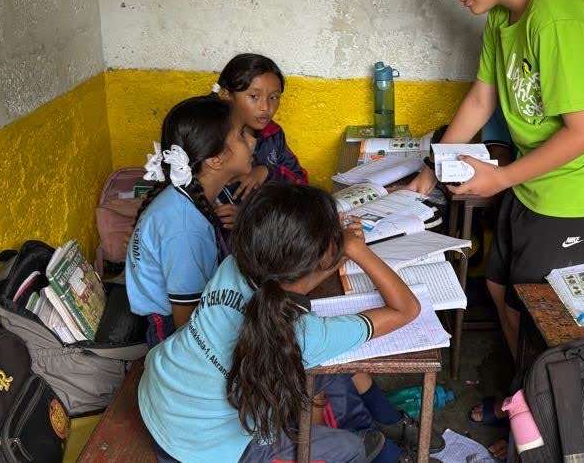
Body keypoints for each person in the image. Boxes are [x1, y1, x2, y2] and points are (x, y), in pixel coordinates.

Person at [408, 0, 584, 452]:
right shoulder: (501, 20)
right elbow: (481, 99)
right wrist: (427, 172)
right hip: (537, 182)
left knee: (544, 317)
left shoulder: (556, 18)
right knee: (496, 282)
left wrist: (499, 180)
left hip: (582, 189)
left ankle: (547, 425)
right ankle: (530, 396)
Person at [138, 183, 424, 462]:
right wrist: (357, 250)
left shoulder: (235, 266)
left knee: (319, 372)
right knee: (351, 446)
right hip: (201, 449)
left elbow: (293, 280)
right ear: (319, 254)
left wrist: (334, 251)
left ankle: (382, 421)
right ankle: (385, 439)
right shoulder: (306, 334)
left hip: (159, 394)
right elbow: (407, 309)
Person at [125, 95, 254, 346]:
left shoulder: (190, 195)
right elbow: (189, 328)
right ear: (215, 160)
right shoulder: (184, 228)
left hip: (186, 315)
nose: (252, 141)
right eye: (241, 135)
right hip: (173, 334)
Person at [214, 53, 308, 200]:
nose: (266, 107)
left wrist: (267, 172)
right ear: (226, 94)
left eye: (274, 97)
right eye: (254, 96)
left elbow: (301, 182)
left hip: (261, 218)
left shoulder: (273, 134)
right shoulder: (210, 135)